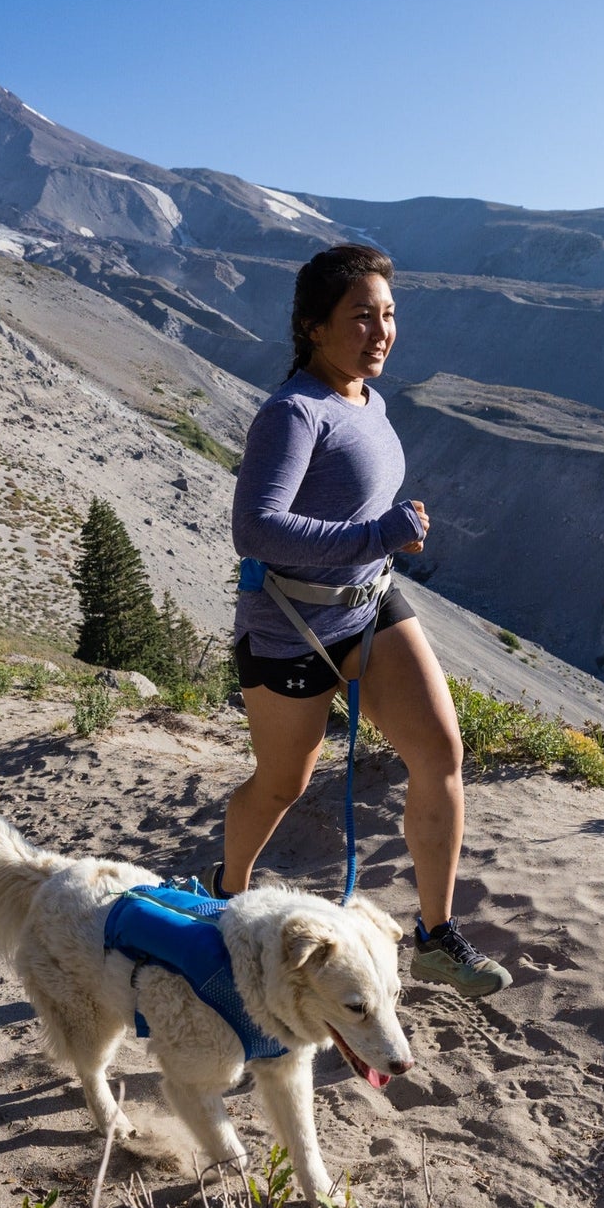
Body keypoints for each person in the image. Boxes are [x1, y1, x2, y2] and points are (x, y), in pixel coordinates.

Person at [203, 243, 511, 998]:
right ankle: (224, 894)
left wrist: (379, 542)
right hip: (291, 626)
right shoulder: (291, 413)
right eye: (361, 317)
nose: (381, 332)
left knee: (440, 753)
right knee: (282, 784)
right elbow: (258, 529)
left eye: (389, 315)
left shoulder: (368, 401)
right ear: (312, 326)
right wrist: (378, 534)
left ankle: (435, 937)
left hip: (369, 606)